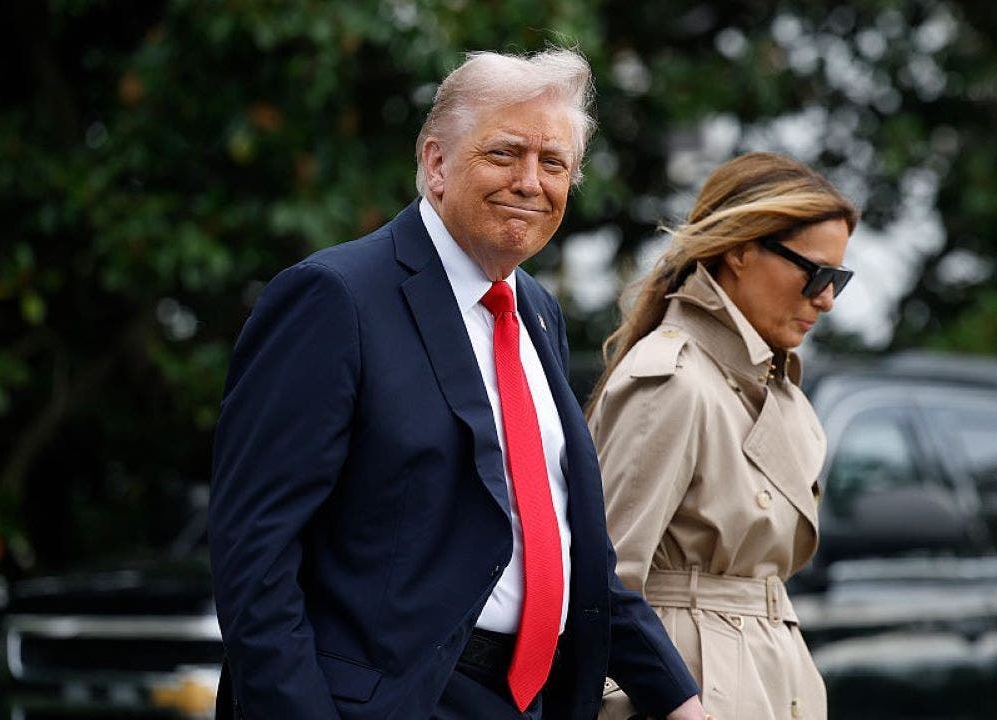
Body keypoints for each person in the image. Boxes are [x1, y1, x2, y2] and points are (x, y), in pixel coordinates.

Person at [208, 49, 706, 720]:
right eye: (504, 154)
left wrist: (676, 697)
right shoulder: (333, 298)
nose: (530, 182)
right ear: (436, 163)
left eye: (554, 163)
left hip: (531, 700)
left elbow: (565, 543)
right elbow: (255, 556)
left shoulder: (536, 310)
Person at [587, 152, 857, 720]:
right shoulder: (672, 382)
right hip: (685, 689)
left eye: (839, 279)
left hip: (771, 682)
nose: (826, 299)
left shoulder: (777, 392)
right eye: (815, 273)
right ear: (739, 250)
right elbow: (601, 586)